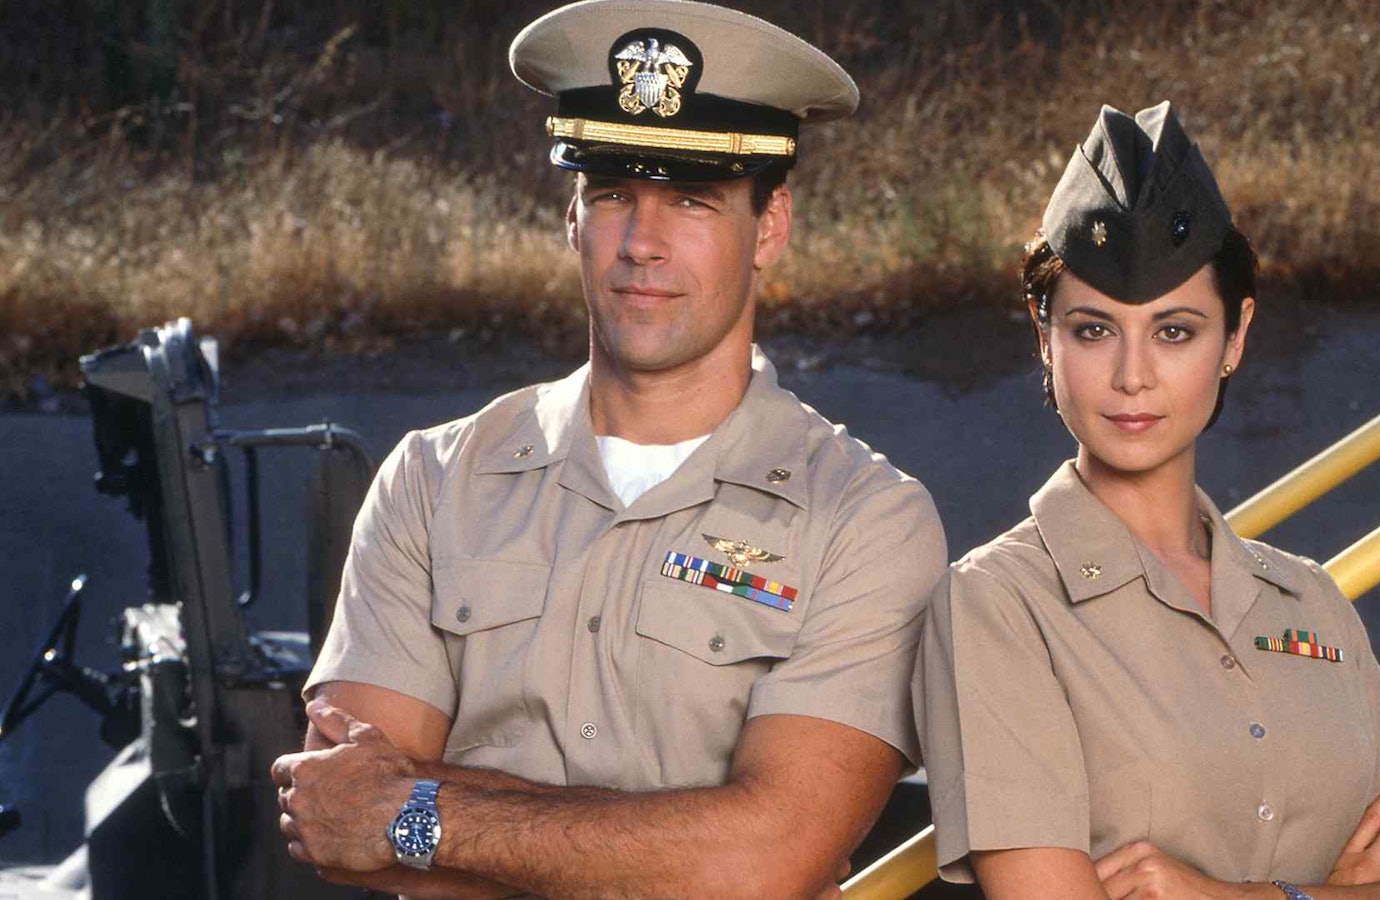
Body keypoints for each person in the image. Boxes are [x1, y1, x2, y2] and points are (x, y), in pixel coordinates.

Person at [269, 2, 947, 898]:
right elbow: (336, 820)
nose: (642, 245)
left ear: (770, 226)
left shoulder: (866, 521)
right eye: (613, 194)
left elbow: (762, 862)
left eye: (693, 201)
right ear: (573, 217)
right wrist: (677, 839)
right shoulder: (433, 480)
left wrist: (417, 814)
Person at [914, 102, 1380, 899]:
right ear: (1043, 337)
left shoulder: (1310, 600)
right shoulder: (996, 608)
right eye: (1093, 330)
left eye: (1175, 332)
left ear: (1236, 336)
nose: (1133, 376)